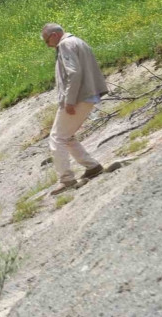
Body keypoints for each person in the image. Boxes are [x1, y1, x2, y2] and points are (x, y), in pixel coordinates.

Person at [41, 23, 109, 195]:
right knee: (67, 136)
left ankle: (66, 179)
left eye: (46, 40)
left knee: (57, 138)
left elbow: (74, 73)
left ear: (54, 35)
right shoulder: (79, 41)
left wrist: (69, 101)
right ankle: (92, 167)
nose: (47, 45)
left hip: (78, 97)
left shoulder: (64, 44)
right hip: (89, 94)